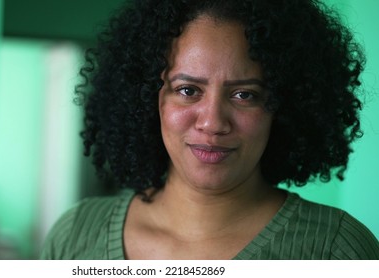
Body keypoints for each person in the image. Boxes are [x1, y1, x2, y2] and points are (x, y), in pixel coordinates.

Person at [41, 0, 379, 259]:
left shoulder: (335, 250)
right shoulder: (75, 235)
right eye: (188, 90)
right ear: (145, 98)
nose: (213, 123)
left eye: (244, 94)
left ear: (284, 106)